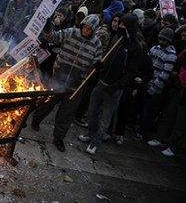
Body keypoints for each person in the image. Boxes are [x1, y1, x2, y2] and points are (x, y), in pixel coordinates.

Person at [32, 14, 103, 152]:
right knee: (48, 102)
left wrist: (97, 67)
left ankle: (59, 138)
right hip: (59, 76)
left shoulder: (97, 44)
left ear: (93, 30)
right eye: (85, 27)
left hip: (77, 83)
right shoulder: (71, 32)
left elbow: (96, 63)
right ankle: (36, 119)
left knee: (67, 113)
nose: (86, 30)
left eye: (90, 29)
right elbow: (52, 37)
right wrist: (47, 28)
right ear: (82, 25)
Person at [78, 14, 143, 154]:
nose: (120, 26)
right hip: (102, 82)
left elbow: (131, 73)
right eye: (120, 23)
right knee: (92, 111)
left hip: (114, 89)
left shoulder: (135, 47)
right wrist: (101, 66)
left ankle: (95, 142)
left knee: (105, 117)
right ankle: (90, 134)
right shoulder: (116, 38)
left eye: (124, 24)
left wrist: (117, 86)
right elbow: (108, 56)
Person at [136, 28, 177, 141]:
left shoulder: (171, 55)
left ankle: (142, 132)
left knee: (148, 112)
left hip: (155, 88)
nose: (161, 41)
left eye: (164, 39)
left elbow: (164, 75)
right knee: (141, 108)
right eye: (160, 38)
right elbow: (147, 62)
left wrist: (153, 88)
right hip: (145, 83)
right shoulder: (154, 48)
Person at [146, 48, 186, 157]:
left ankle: (173, 146)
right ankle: (161, 138)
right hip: (178, 87)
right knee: (168, 114)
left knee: (180, 121)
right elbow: (179, 60)